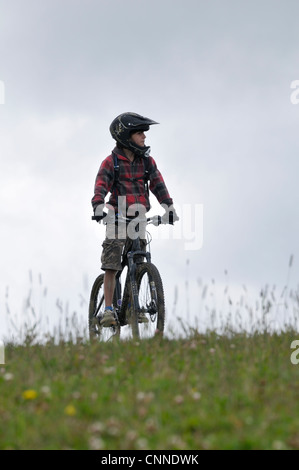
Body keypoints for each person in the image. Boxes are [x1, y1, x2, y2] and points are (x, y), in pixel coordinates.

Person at [91, 112, 178, 327]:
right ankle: (109, 309)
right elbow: (101, 186)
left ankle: (133, 308)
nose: (144, 137)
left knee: (138, 261)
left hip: (139, 218)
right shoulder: (111, 162)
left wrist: (169, 207)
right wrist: (98, 206)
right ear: (126, 136)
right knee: (112, 263)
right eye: (140, 133)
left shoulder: (147, 162)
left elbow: (158, 185)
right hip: (117, 217)